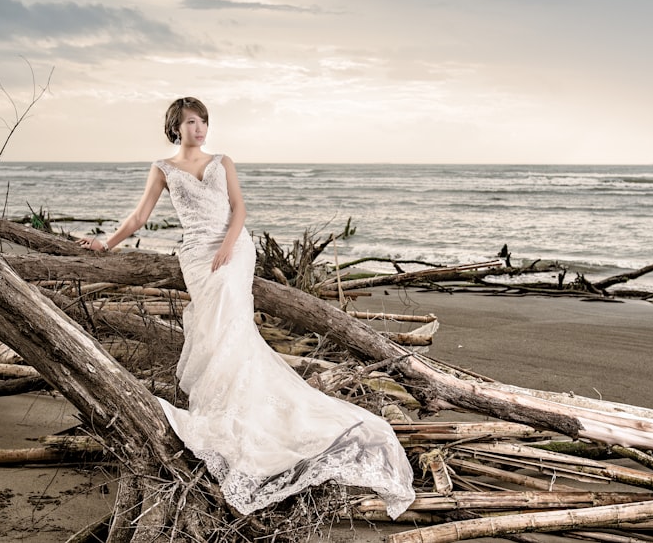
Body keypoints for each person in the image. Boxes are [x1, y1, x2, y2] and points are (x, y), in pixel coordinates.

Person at [78, 97, 415, 518]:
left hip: (234, 248)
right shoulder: (163, 168)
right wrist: (104, 243)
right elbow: (139, 218)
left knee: (231, 321)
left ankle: (249, 408)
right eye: (191, 122)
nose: (200, 129)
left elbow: (239, 209)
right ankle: (230, 410)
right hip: (196, 256)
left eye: (203, 121)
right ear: (175, 127)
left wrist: (228, 246)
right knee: (217, 328)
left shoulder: (223, 161)